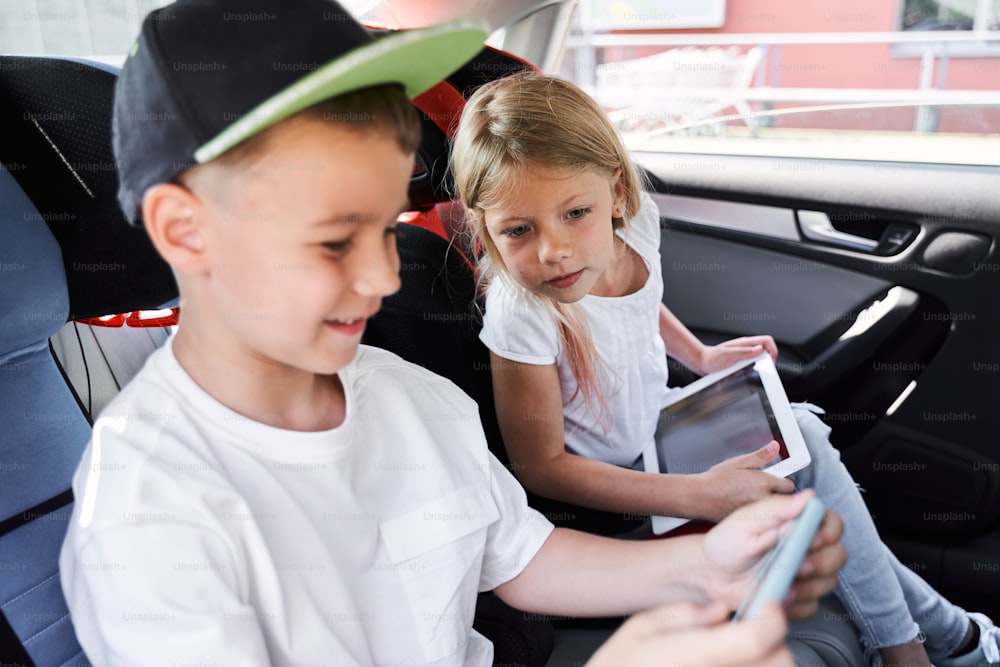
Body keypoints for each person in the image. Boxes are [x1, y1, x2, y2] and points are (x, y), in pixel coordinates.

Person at [57, 2, 846, 666]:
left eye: (381, 227)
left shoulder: (410, 398)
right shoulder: (149, 513)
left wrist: (708, 563)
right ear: (185, 232)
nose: (383, 276)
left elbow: (525, 559)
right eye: (334, 239)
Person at [450, 70, 1000, 667]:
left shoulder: (635, 227)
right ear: (486, 228)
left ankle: (949, 639)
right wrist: (698, 497)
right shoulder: (520, 313)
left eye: (574, 213)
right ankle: (929, 646)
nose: (553, 250)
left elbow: (641, 305)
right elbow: (543, 468)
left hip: (654, 428)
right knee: (808, 444)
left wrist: (701, 357)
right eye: (518, 231)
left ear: (615, 192)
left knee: (800, 443)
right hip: (606, 496)